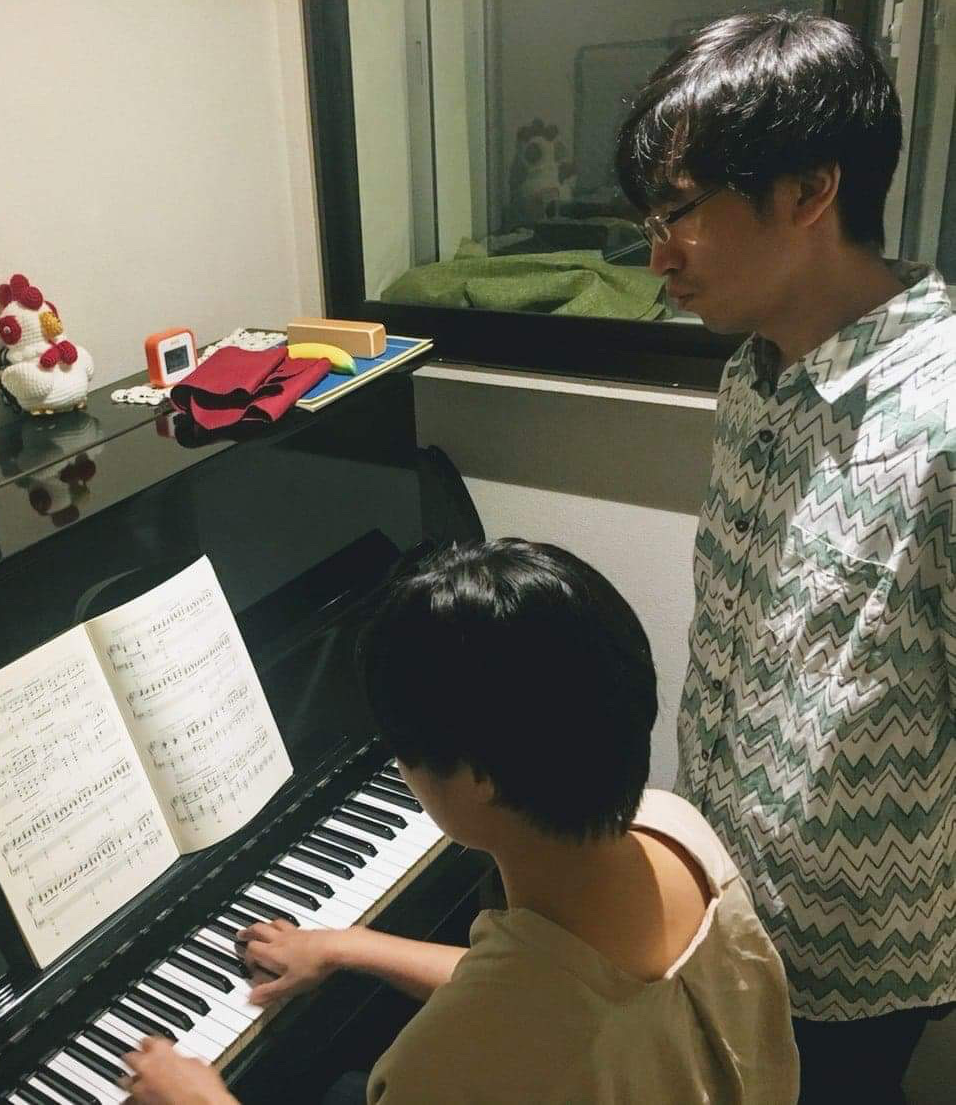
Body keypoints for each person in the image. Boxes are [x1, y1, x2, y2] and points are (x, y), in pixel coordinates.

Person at [122, 539, 798, 1104]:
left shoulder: (447, 1065)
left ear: (479, 778)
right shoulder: (671, 828)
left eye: (401, 748)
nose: (401, 767)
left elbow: (517, 1017)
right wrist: (347, 945)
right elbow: (537, 987)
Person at [615, 10, 956, 1104]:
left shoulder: (943, 416)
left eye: (678, 213)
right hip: (727, 901)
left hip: (859, 961)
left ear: (809, 191)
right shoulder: (753, 374)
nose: (657, 256)